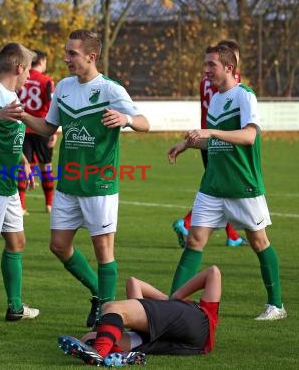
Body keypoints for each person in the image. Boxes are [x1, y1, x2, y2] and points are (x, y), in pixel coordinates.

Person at [19, 29, 150, 328]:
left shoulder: (110, 90)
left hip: (99, 185)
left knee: (104, 252)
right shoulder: (63, 87)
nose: (66, 58)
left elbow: (144, 122)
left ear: (90, 57)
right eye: (66, 52)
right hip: (68, 184)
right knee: (58, 246)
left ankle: (108, 318)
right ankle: (99, 294)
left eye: (72, 54)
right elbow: (47, 127)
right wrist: (22, 115)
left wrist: (126, 119)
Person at [167, 44, 286, 321]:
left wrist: (210, 130)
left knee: (259, 242)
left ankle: (276, 306)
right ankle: (171, 304)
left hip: (242, 183)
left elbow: (248, 137)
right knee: (194, 240)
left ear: (228, 68)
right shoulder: (217, 98)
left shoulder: (245, 96)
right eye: (205, 65)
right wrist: (187, 144)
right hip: (213, 185)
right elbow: (216, 144)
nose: (206, 70)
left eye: (211, 65)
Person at [0, 42, 40, 321]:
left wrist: (24, 162)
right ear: (19, 67)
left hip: (9, 184)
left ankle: (14, 306)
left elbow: (11, 139)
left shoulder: (12, 95)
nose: (30, 76)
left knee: (17, 242)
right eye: (28, 70)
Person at [58, 266, 221, 366]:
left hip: (191, 319)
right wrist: (168, 300)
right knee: (89, 338)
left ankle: (99, 352)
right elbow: (133, 282)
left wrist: (176, 296)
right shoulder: (163, 315)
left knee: (112, 307)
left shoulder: (187, 309)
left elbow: (213, 272)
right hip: (181, 340)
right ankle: (122, 357)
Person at [172, 39, 247, 248]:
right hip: (220, 138)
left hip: (204, 133)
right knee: (220, 188)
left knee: (221, 187)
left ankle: (232, 236)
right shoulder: (232, 82)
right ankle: (186, 222)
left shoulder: (205, 81)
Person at [17, 50, 56, 214]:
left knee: (23, 166)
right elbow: (53, 105)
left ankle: (21, 206)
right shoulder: (47, 81)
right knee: (46, 166)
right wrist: (53, 131)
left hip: (23, 127)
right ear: (41, 61)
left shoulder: (20, 78)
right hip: (41, 127)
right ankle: (49, 205)